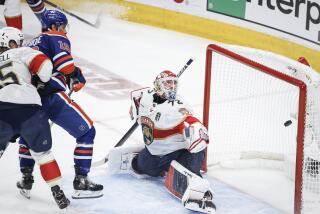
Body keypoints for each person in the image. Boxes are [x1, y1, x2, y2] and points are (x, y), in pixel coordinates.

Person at [16, 9, 103, 199]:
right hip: (50, 96)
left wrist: (73, 73)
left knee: (29, 138)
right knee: (87, 131)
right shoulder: (55, 36)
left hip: (28, 99)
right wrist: (73, 74)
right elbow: (65, 65)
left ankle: (26, 179)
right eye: (63, 26)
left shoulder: (31, 43)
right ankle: (81, 180)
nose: (65, 31)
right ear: (55, 26)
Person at [107, 70, 216, 213]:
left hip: (180, 152)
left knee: (191, 165)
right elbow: (135, 110)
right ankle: (160, 166)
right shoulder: (146, 98)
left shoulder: (179, 107)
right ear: (157, 86)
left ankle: (197, 190)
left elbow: (189, 119)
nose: (172, 86)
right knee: (143, 167)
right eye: (168, 82)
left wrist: (197, 129)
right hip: (156, 153)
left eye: (174, 83)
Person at [0, 26, 70, 209]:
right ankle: (58, 193)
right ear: (12, 43)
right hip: (29, 109)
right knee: (43, 155)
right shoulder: (23, 51)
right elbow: (45, 70)